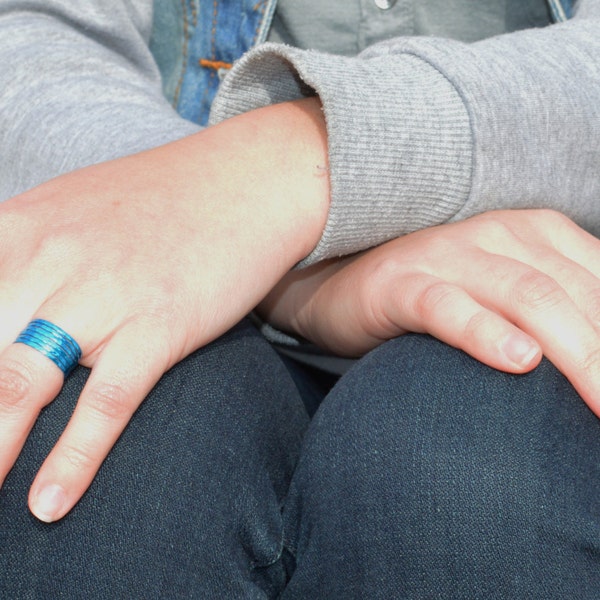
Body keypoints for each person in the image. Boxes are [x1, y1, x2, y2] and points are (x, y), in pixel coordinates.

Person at [0, 0, 600, 597]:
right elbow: (30, 29)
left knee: (472, 462)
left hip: (552, 258)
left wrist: (273, 178)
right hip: (175, 260)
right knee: (98, 453)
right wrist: (282, 270)